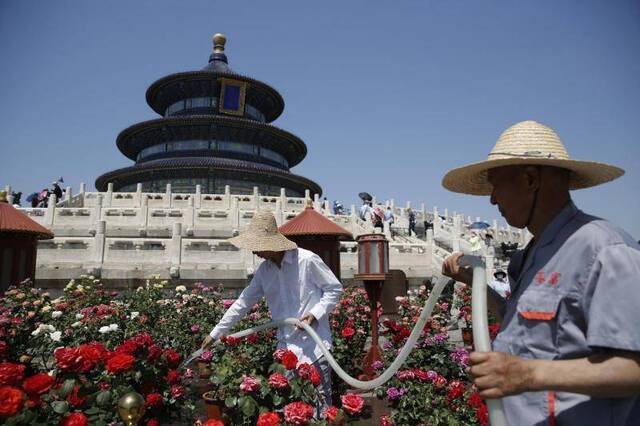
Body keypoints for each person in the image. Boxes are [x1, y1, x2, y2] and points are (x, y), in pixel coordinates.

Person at [440, 120, 640, 425]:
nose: (492, 199)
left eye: (496, 184)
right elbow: (526, 329)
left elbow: (632, 369)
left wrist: (527, 374)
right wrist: (476, 285)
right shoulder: (534, 253)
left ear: (530, 180)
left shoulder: (603, 249)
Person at [200, 210, 343, 417]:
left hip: (314, 346)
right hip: (285, 349)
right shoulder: (264, 272)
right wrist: (215, 333)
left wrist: (315, 313)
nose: (254, 252)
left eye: (257, 247)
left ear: (271, 243)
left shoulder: (306, 260)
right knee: (289, 409)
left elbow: (334, 289)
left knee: (320, 408)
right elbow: (243, 303)